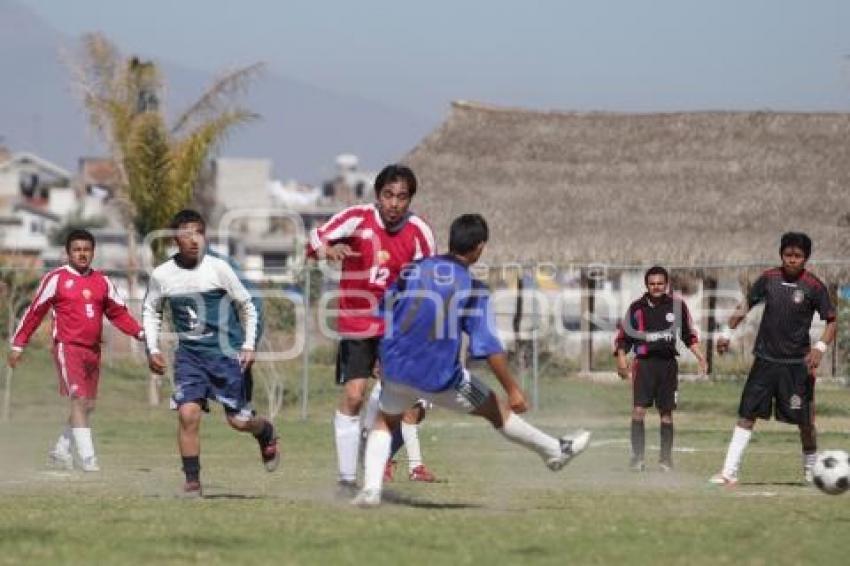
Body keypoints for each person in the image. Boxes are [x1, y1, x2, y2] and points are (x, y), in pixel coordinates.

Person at [353, 214, 591, 507]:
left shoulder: (414, 269)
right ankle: (554, 452)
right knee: (496, 410)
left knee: (385, 422)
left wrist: (377, 354)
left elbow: (383, 310)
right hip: (442, 379)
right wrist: (513, 389)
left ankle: (370, 491)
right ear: (479, 248)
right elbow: (488, 346)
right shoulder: (473, 287)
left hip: (396, 368)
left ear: (451, 239)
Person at [307, 164, 438, 493]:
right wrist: (327, 250)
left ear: (410, 200)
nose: (394, 203)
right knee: (353, 395)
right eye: (388, 195)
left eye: (402, 197)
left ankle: (369, 454)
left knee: (395, 401)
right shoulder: (357, 217)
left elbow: (429, 281)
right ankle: (347, 479)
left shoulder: (419, 232)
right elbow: (315, 238)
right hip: (356, 321)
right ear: (378, 196)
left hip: (396, 326)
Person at [143, 209, 279, 497]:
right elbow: (150, 310)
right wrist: (152, 348)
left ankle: (264, 430)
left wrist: (249, 345)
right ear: (174, 239)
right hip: (190, 358)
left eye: (199, 233)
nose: (194, 240)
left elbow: (248, 305)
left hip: (226, 355)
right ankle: (192, 481)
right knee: (188, 413)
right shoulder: (162, 275)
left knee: (239, 421)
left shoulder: (219, 268)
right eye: (186, 233)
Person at [8, 229, 144, 472]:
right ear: (68, 253)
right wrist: (18, 344)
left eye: (86, 250)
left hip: (93, 351)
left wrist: (140, 333)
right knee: (79, 400)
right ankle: (89, 461)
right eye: (77, 250)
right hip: (67, 347)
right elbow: (34, 312)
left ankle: (61, 449)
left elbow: (119, 312)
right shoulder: (56, 278)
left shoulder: (102, 281)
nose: (82, 254)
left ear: (93, 252)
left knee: (88, 405)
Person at [710, 232, 836, 486]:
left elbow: (832, 321)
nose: (792, 260)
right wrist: (726, 333)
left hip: (797, 367)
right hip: (765, 361)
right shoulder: (769, 279)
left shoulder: (814, 286)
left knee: (805, 422)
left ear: (806, 258)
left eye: (797, 256)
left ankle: (811, 474)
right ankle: (728, 473)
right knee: (747, 415)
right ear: (781, 255)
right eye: (787, 255)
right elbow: (746, 304)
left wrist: (820, 347)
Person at [614, 266, 707, 472]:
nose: (656, 287)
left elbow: (689, 335)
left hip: (667, 366)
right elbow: (623, 337)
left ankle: (665, 460)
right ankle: (637, 459)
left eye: (660, 284)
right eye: (652, 284)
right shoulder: (636, 308)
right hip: (644, 365)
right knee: (638, 411)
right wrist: (621, 359)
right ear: (647, 285)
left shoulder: (677, 306)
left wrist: (700, 357)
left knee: (666, 414)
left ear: (666, 285)